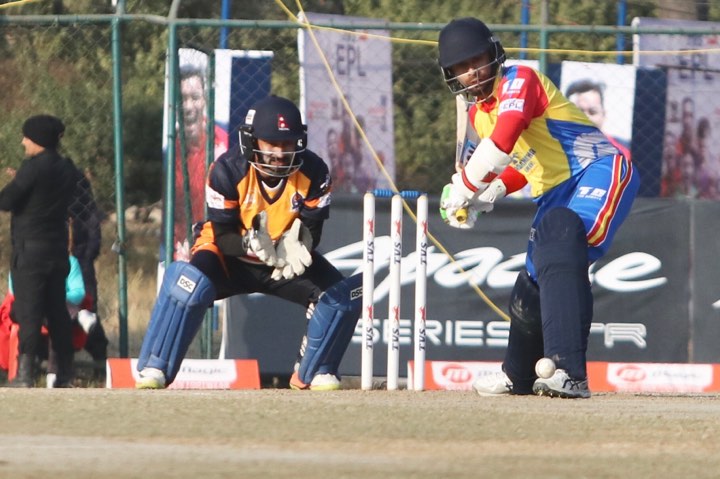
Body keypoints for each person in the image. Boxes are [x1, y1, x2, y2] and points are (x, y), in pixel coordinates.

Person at [437, 18, 639, 398]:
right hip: (552, 194)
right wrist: (488, 194)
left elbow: (506, 136)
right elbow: (522, 162)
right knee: (530, 287)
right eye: (461, 67)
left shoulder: (520, 80)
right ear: (452, 75)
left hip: (598, 169)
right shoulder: (479, 116)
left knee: (562, 237)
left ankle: (569, 371)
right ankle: (517, 376)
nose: (472, 72)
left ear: (494, 54)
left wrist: (464, 187)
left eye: (476, 60)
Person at [136, 95, 361, 391]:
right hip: (229, 256)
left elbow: (312, 230)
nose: (280, 153)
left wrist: (300, 244)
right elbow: (222, 235)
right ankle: (155, 365)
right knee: (188, 285)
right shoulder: (227, 170)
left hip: (281, 261)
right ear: (251, 141)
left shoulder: (315, 172)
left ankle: (315, 371)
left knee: (340, 297)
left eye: (287, 144)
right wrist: (250, 245)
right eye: (271, 144)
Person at [0, 114, 82, 387]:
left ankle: (25, 374)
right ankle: (65, 373)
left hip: (30, 252)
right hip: (57, 251)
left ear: (38, 140)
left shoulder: (33, 168)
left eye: (26, 137)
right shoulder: (67, 168)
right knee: (57, 311)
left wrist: (15, 184)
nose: (23, 142)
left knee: (29, 311)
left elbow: (8, 200)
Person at [173, 64, 229, 260]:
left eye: (195, 98)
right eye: (183, 98)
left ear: (205, 99)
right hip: (179, 249)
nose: (188, 107)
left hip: (215, 242)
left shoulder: (221, 146)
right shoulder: (171, 151)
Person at [69, 168, 109, 370]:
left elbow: (94, 241)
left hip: (80, 261)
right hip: (66, 260)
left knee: (86, 308)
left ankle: (99, 359)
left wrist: (83, 257)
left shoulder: (87, 210)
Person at [564, 79, 631, 160]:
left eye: (592, 112)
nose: (586, 118)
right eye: (579, 112)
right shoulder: (554, 149)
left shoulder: (625, 151)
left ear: (603, 114)